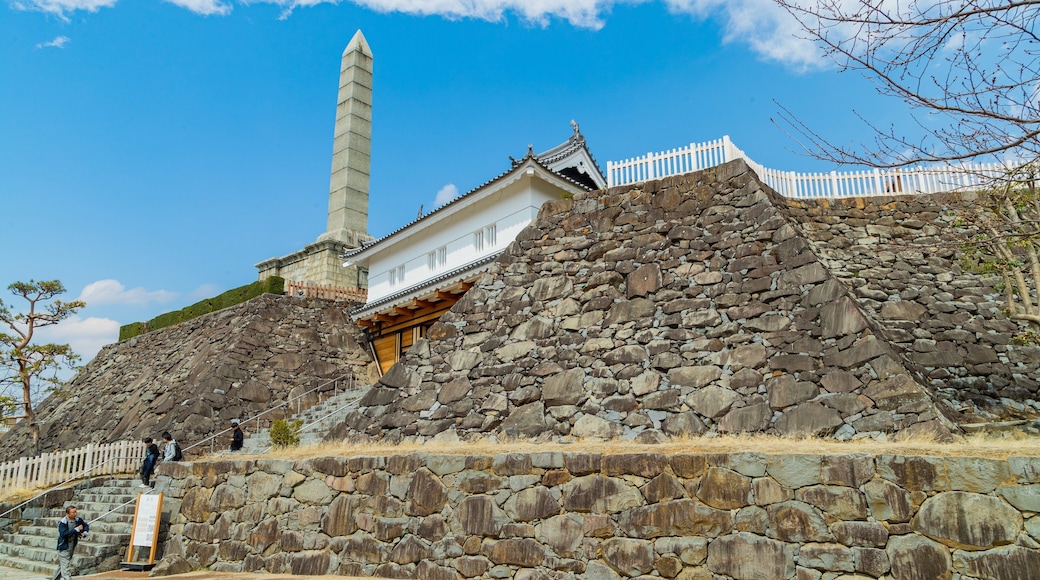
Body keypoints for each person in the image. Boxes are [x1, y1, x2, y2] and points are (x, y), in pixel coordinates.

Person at [53, 505, 89, 580]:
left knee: (62, 565)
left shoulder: (78, 520)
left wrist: (84, 533)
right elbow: (63, 534)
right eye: (73, 512)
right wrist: (76, 530)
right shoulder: (63, 522)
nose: (75, 514)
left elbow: (85, 525)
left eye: (75, 511)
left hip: (72, 546)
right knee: (65, 566)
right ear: (67, 514)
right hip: (64, 546)